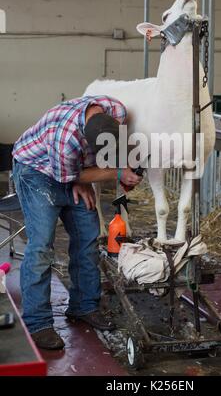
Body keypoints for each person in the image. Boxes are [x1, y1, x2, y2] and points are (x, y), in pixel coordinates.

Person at [12, 95, 142, 350]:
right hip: (37, 172)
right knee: (41, 244)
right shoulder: (66, 138)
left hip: (71, 168)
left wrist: (116, 165)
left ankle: (84, 306)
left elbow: (81, 170)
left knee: (88, 235)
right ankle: (38, 323)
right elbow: (66, 175)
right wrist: (116, 173)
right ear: (87, 142)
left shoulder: (116, 110)